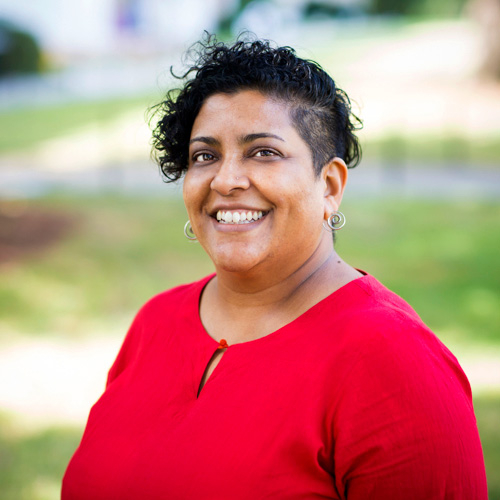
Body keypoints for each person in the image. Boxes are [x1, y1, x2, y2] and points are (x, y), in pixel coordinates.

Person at [62, 35, 488, 499]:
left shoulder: (394, 363)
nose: (225, 180)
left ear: (329, 185)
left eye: (263, 151)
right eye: (205, 156)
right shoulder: (156, 322)